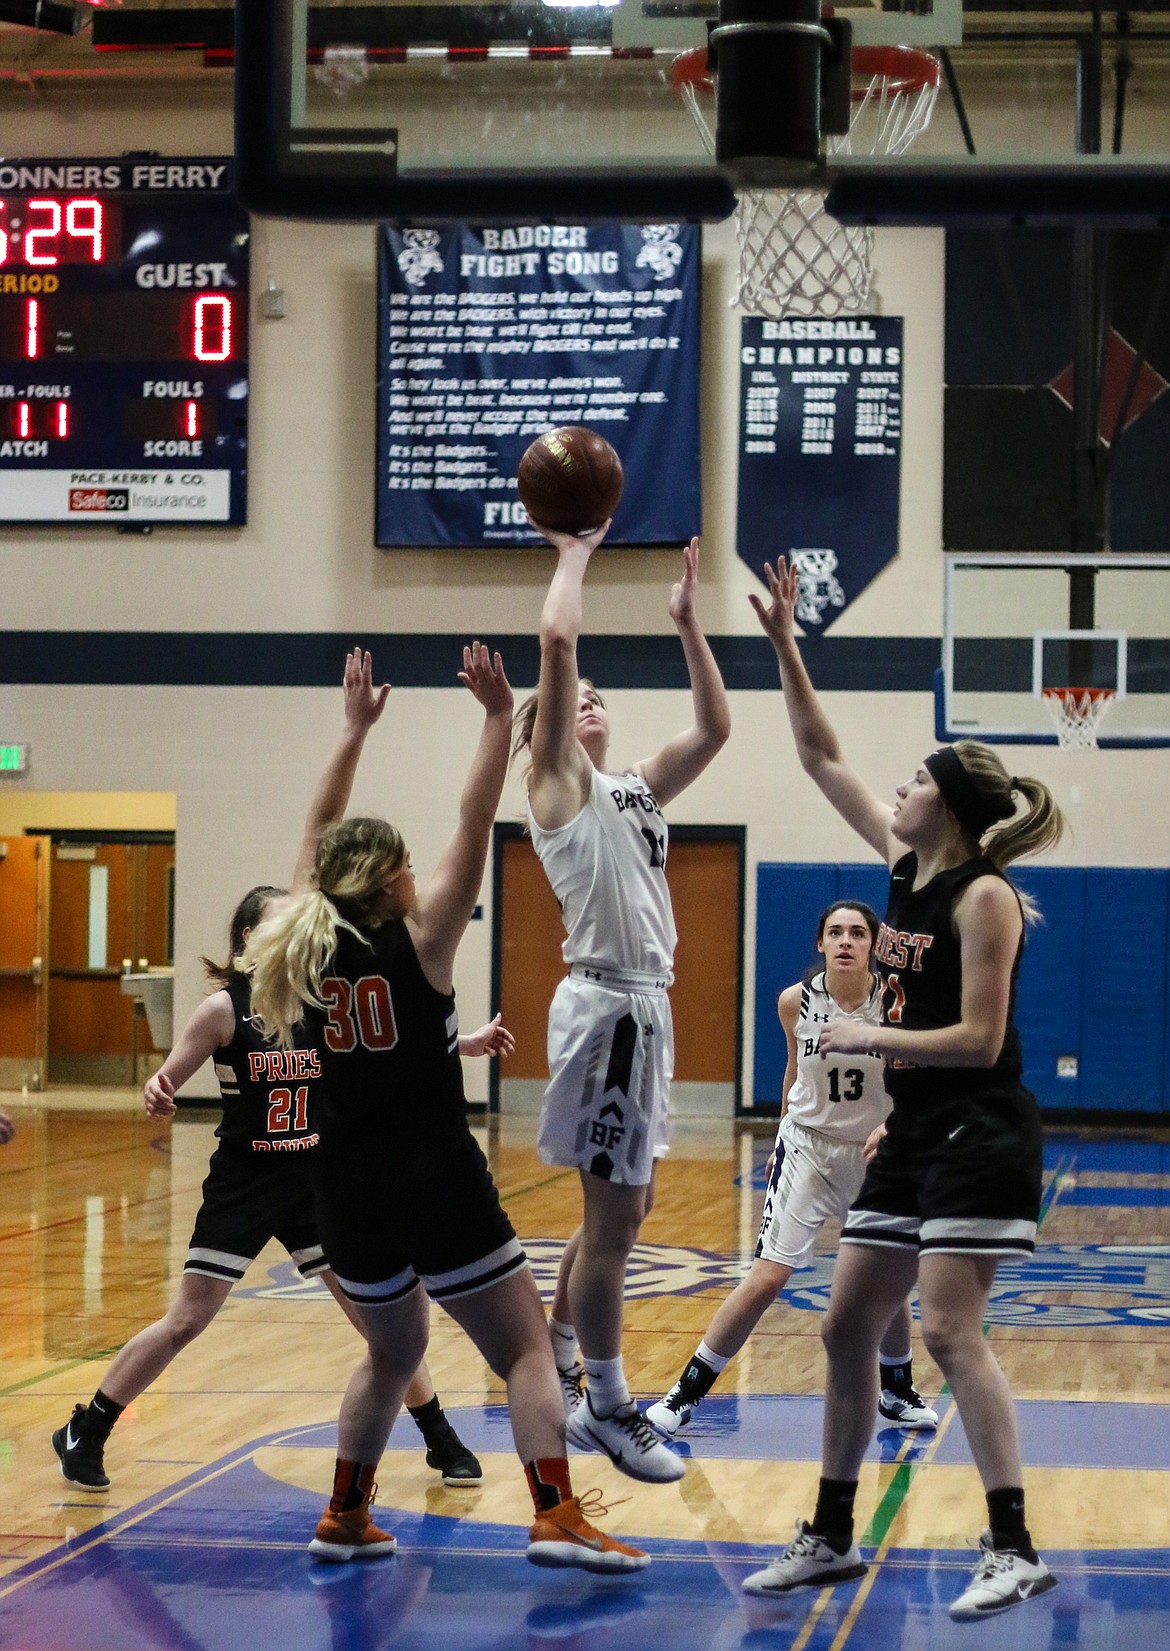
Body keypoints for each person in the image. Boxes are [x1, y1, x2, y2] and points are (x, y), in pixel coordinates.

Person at [245, 642, 648, 1574]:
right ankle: (554, 1512)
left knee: (393, 1353)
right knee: (523, 1350)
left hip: (344, 1191)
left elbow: (313, 830)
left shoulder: (295, 942)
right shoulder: (425, 942)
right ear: (393, 879)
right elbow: (478, 812)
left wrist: (352, 734)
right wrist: (499, 719)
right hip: (433, 1176)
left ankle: (345, 1513)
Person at [50, 652, 488, 1495]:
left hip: (319, 1171)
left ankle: (439, 1438)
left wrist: (458, 1045)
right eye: (278, 913)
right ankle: (90, 1421)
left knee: (377, 1320)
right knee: (191, 1317)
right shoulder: (231, 1004)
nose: (292, 915)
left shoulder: (318, 984)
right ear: (255, 933)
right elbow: (173, 1072)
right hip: (252, 1174)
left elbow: (384, 1043)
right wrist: (160, 1084)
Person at [739, 558, 1064, 1621]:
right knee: (844, 1328)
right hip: (916, 1131)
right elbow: (817, 749)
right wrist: (788, 640)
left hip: (980, 1124)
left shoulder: (986, 899)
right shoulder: (903, 870)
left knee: (948, 1330)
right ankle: (831, 1531)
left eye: (919, 781)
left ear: (952, 808)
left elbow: (977, 1039)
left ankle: (1012, 1543)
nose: (900, 789)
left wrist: (868, 1032)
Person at [513, 527, 730, 1485]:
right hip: (609, 1011)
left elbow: (717, 729)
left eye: (602, 695)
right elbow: (558, 647)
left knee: (624, 1209)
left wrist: (688, 624)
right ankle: (606, 1402)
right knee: (614, 1223)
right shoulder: (556, 782)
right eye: (573, 702)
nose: (588, 698)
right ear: (546, 738)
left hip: (644, 1012)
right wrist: (574, 552)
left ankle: (565, 1352)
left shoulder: (635, 790)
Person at [647, 900, 937, 1439]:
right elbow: (794, 1071)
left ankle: (896, 1390)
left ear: (875, 945)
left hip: (875, 1153)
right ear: (820, 945)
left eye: (857, 933)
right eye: (835, 932)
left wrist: (898, 1129)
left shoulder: (896, 1006)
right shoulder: (795, 1002)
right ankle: (684, 1393)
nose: (846, 941)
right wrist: (779, 1140)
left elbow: (919, 1087)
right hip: (807, 1145)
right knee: (767, 1276)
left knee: (888, 1280)